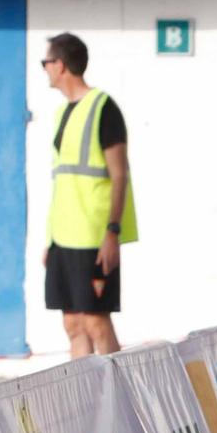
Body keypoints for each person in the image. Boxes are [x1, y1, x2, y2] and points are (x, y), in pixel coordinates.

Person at [41, 32, 136, 357]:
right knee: (73, 324)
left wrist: (112, 233)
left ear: (61, 65)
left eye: (47, 62)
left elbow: (119, 174)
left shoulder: (103, 108)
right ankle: (85, 402)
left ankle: (116, 398)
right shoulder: (61, 113)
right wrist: (51, 241)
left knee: (96, 322)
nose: (45, 69)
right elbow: (64, 182)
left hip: (93, 238)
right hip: (63, 238)